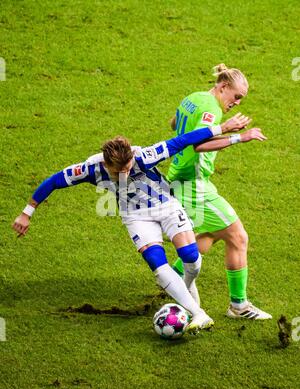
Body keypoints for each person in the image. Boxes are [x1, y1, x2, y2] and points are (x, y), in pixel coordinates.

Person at [12, 115, 260, 334]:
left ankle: (186, 287)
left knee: (191, 258)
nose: (125, 175)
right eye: (118, 171)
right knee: (157, 264)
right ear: (106, 165)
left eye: (128, 168)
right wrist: (27, 212)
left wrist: (225, 129)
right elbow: (54, 181)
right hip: (135, 216)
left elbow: (183, 141)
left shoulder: (143, 156)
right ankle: (199, 314)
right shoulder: (89, 169)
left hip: (166, 205)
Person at [167, 63, 272, 320]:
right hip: (193, 185)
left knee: (214, 232)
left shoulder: (194, 98)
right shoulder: (210, 109)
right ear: (223, 87)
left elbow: (173, 125)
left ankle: (174, 277)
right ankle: (239, 306)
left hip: (181, 178)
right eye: (236, 97)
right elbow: (200, 145)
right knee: (238, 236)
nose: (237, 103)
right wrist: (239, 137)